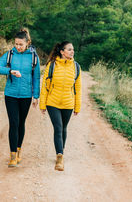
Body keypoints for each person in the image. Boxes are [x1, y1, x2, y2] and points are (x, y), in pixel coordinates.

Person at [0, 28, 40, 167]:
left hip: (26, 95)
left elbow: (36, 77)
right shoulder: (10, 54)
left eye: (20, 44)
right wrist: (10, 70)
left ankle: (19, 151)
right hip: (11, 94)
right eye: (16, 44)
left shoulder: (33, 57)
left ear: (27, 43)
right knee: (13, 122)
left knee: (21, 123)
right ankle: (12, 155)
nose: (18, 47)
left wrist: (36, 95)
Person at [40, 41, 81, 171]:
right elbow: (45, 86)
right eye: (69, 49)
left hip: (68, 103)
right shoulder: (52, 65)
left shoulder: (76, 67)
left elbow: (78, 89)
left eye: (72, 49)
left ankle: (60, 152)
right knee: (58, 128)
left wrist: (77, 106)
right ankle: (59, 157)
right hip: (53, 103)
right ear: (62, 52)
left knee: (63, 128)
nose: (72, 51)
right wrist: (42, 104)